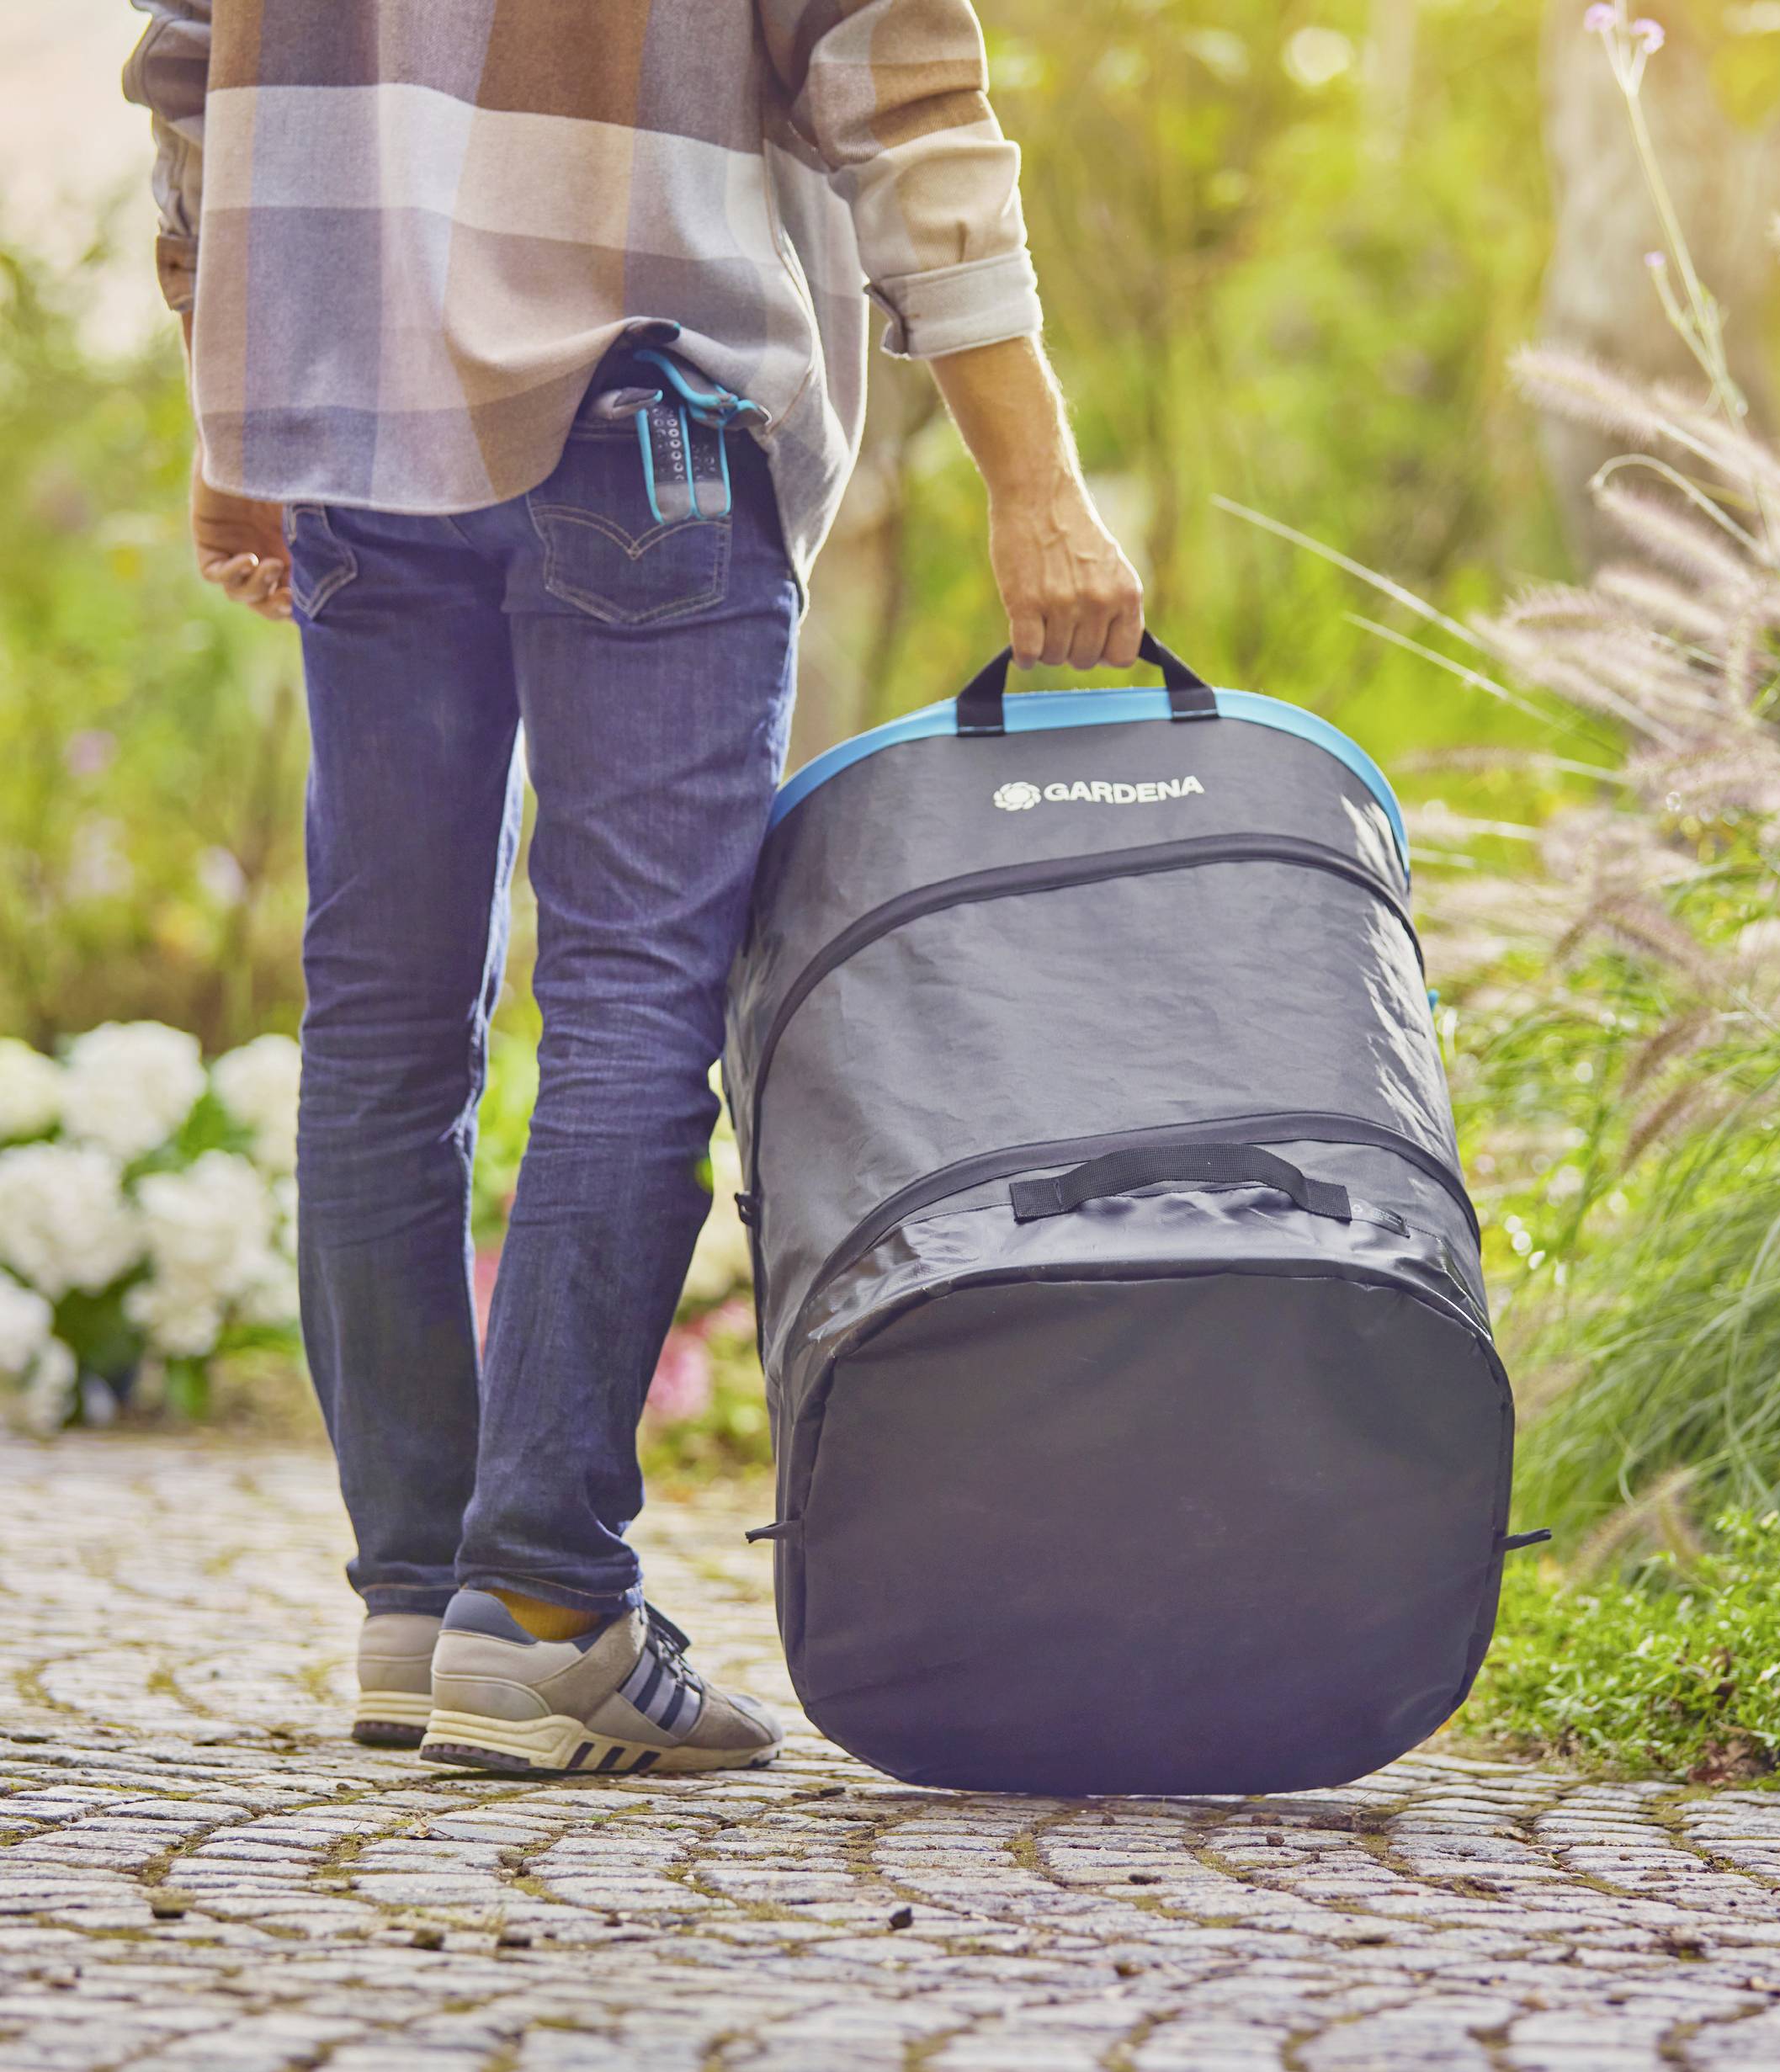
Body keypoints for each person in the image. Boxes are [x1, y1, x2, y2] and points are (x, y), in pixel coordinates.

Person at [123, 0, 1145, 1777]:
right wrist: (1031, 470)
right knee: (623, 1015)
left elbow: (194, 62)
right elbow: (898, 86)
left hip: (350, 418)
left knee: (380, 1022)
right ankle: (537, 1613)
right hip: (646, 401)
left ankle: (420, 1600)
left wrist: (241, 404)